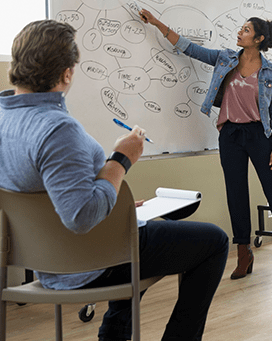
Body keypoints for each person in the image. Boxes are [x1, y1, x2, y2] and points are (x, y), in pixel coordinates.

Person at [0, 19, 229, 341]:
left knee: (136, 231)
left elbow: (40, 191)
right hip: (86, 262)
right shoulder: (56, 129)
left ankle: (114, 335)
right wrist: (122, 159)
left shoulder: (4, 119)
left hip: (47, 263)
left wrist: (115, 201)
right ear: (67, 73)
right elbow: (81, 217)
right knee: (214, 241)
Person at [139, 9, 272, 280]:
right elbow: (189, 48)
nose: (240, 32)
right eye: (241, 29)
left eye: (246, 30)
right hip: (230, 135)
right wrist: (158, 23)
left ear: (258, 39)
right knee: (236, 192)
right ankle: (243, 251)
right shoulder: (225, 58)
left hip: (259, 135)